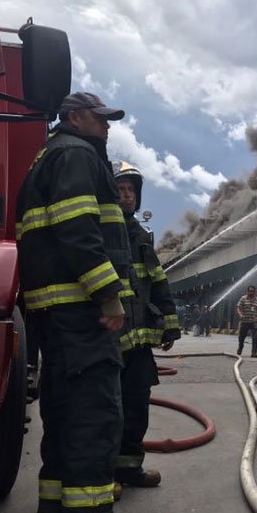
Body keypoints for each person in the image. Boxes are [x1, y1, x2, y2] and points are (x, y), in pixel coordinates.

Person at [16, 92, 145, 513]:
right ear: (74, 118)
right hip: (81, 311)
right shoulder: (76, 155)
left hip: (53, 314)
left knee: (63, 413)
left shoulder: (48, 157)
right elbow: (79, 231)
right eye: (100, 119)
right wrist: (108, 294)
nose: (107, 127)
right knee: (94, 416)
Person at [112, 162, 182, 489]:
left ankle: (129, 468)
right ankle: (100, 476)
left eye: (131, 191)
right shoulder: (99, 228)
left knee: (136, 407)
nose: (126, 196)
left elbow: (157, 281)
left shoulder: (141, 235)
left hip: (137, 346)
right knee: (106, 411)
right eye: (120, 189)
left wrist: (169, 325)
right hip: (108, 341)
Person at [236, 286, 257, 357]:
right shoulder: (243, 298)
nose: (251, 292)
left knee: (255, 338)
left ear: (255, 292)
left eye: (253, 291)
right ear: (247, 291)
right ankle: (240, 347)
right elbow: (238, 307)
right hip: (245, 321)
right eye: (250, 291)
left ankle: (254, 353)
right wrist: (240, 314)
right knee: (241, 337)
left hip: (254, 321)